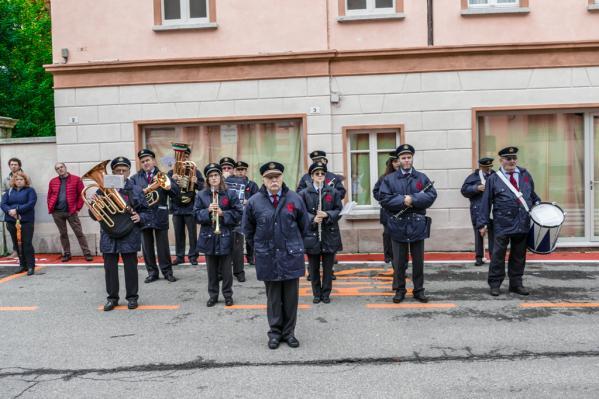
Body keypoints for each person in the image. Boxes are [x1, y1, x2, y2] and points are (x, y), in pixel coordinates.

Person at [243, 161, 310, 350]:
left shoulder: (295, 199)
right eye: (269, 177)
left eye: (277, 177)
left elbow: (304, 227)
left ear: (282, 178)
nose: (274, 180)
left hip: (290, 256)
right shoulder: (254, 201)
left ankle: (289, 333)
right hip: (268, 257)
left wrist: (294, 245)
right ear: (263, 180)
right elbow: (248, 230)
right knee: (273, 299)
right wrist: (260, 247)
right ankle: (274, 333)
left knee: (290, 298)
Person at [87, 157, 150, 311]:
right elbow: (95, 215)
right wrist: (93, 205)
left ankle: (132, 297)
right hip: (109, 234)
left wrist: (141, 217)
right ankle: (112, 298)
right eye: (117, 171)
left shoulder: (135, 189)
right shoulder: (102, 189)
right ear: (112, 172)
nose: (121, 173)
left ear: (129, 172)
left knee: (130, 267)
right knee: (109, 268)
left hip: (129, 233)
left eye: (124, 170)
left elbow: (147, 211)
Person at [477, 146, 541, 297]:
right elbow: (486, 202)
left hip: (522, 222)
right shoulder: (494, 178)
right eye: (508, 159)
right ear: (501, 160)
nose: (512, 161)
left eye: (514, 158)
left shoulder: (525, 174)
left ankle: (516, 284)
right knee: (498, 255)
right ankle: (495, 284)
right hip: (501, 224)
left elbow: (531, 194)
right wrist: (482, 223)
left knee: (519, 256)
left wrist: (540, 206)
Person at [379, 144, 437, 304]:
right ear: (398, 160)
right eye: (403, 158)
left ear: (412, 158)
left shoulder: (421, 177)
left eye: (409, 157)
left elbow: (432, 195)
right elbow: (384, 199)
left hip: (417, 224)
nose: (406, 160)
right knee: (398, 261)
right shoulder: (389, 179)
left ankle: (419, 290)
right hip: (397, 224)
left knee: (418, 261)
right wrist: (403, 200)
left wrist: (414, 199)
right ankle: (400, 290)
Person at [194, 163, 243, 307]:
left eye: (216, 175)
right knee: (211, 270)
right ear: (207, 179)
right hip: (209, 236)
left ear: (220, 177)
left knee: (227, 270)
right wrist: (207, 211)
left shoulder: (230, 193)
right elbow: (195, 215)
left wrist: (223, 213)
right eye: (210, 176)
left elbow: (239, 213)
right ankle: (213, 295)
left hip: (225, 235)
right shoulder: (202, 195)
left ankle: (228, 295)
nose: (214, 178)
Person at [131, 149, 180, 283]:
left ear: (153, 161)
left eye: (147, 160)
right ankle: (152, 272)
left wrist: (169, 187)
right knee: (147, 246)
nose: (145, 163)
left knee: (163, 246)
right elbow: (132, 197)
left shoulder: (163, 175)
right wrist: (145, 191)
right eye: (143, 161)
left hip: (160, 214)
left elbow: (176, 194)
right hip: (143, 216)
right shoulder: (135, 178)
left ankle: (167, 272)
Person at [297, 150, 346, 281]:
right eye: (315, 160)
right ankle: (312, 273)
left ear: (325, 161)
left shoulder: (332, 177)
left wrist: (329, 196)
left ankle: (330, 272)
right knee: (313, 254)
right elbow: (299, 197)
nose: (318, 163)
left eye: (321, 160)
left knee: (329, 251)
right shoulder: (306, 177)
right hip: (313, 223)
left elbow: (341, 193)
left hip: (328, 220)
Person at [47, 162, 94, 262]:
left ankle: (87, 253)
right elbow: (49, 195)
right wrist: (51, 207)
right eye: (57, 168)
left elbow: (82, 194)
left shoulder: (76, 179)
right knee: (63, 234)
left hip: (71, 211)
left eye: (61, 167)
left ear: (65, 167)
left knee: (79, 232)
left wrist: (77, 208)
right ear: (56, 171)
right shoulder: (53, 181)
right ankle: (67, 254)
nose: (60, 169)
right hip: (57, 212)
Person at [168, 145, 205, 266]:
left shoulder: (195, 170)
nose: (184, 159)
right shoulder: (171, 172)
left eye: (186, 156)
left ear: (189, 157)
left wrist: (196, 182)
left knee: (192, 233)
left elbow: (203, 187)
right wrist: (173, 180)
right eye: (181, 156)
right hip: (176, 207)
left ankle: (193, 256)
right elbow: (166, 189)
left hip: (190, 207)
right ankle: (179, 256)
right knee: (179, 234)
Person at [461, 157, 496, 266]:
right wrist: (476, 188)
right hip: (478, 209)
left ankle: (494, 258)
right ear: (481, 167)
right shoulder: (473, 177)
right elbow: (464, 191)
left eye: (490, 167)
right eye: (486, 167)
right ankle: (479, 257)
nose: (488, 169)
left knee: (494, 234)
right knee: (479, 234)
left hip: (494, 209)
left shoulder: (496, 175)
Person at [1, 171, 37, 275]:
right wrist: (10, 211)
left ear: (25, 180)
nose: (19, 181)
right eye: (17, 179)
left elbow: (30, 204)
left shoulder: (30, 191)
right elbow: (3, 204)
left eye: (21, 179)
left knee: (27, 243)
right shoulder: (9, 191)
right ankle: (22, 265)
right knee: (17, 244)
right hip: (11, 221)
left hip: (26, 221)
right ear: (14, 181)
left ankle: (30, 266)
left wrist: (17, 209)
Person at [373, 152, 400, 265]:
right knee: (388, 235)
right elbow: (376, 192)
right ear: (391, 163)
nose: (398, 163)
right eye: (395, 161)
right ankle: (389, 256)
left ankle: (399, 262)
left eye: (399, 161)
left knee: (400, 238)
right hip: (388, 212)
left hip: (402, 212)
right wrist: (386, 199)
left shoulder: (405, 176)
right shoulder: (384, 178)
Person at [234, 161, 259, 266]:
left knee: (250, 235)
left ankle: (250, 257)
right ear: (235, 171)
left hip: (248, 214)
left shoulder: (252, 185)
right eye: (238, 170)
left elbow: (258, 199)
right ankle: (235, 258)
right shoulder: (230, 184)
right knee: (236, 238)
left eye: (242, 170)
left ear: (246, 171)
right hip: (235, 214)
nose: (240, 172)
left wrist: (248, 201)